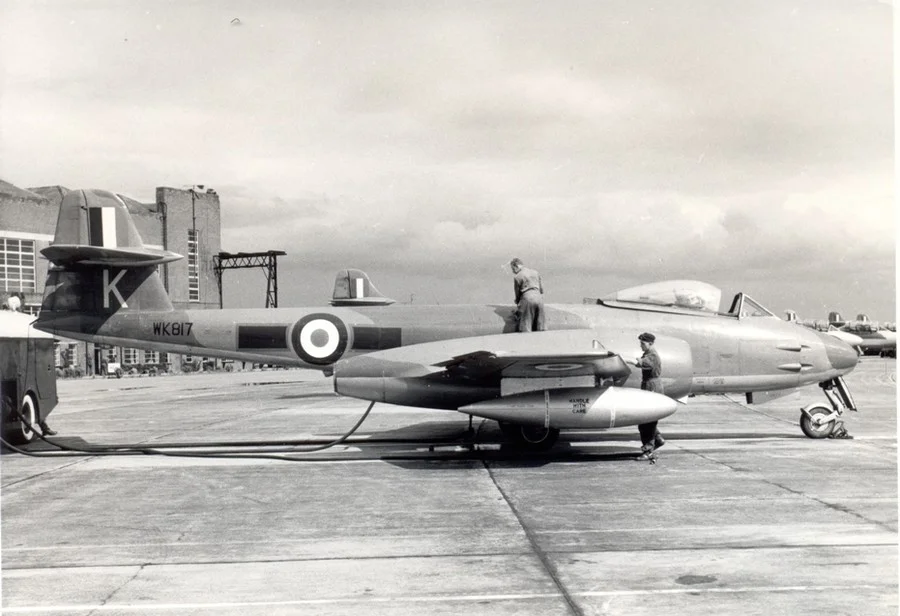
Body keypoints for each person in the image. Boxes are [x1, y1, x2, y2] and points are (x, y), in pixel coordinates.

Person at [635, 332, 666, 460]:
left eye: (643, 343)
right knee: (648, 419)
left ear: (650, 343)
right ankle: (657, 440)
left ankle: (648, 451)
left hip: (651, 387)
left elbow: (640, 363)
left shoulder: (652, 355)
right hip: (651, 385)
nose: (641, 346)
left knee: (646, 421)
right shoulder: (649, 354)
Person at [510, 258, 545, 332]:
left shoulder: (517, 277)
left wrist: (518, 302)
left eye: (512, 268)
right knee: (540, 327)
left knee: (526, 327)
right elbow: (542, 290)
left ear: (516, 266)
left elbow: (517, 294)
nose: (513, 271)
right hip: (539, 299)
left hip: (527, 299)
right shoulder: (535, 272)